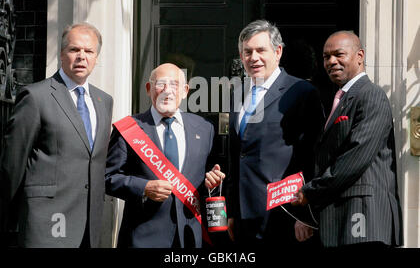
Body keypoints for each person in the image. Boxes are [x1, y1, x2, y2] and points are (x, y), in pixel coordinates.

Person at [0, 22, 114, 248]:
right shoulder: (36, 96)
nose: (82, 56)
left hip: (88, 225)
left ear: (97, 57)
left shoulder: (104, 101)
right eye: (74, 50)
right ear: (62, 54)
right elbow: (12, 164)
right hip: (46, 222)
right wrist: (8, 219)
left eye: (89, 51)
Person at [293, 31, 403, 248]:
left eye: (339, 54)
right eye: (326, 57)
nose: (331, 62)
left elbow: (355, 156)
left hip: (364, 218)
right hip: (340, 219)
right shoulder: (340, 98)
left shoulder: (370, 95)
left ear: (359, 56)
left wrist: (310, 192)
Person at [226, 20, 324, 247]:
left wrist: (307, 213)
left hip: (284, 218)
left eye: (261, 50)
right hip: (242, 220)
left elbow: (315, 156)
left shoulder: (300, 92)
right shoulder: (236, 94)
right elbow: (235, 156)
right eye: (247, 52)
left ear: (278, 52)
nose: (253, 57)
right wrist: (232, 212)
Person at [105, 63, 225, 248]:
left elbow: (210, 179)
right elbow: (107, 178)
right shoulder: (129, 129)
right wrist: (144, 187)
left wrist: (213, 183)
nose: (167, 91)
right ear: (148, 89)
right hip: (144, 237)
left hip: (191, 236)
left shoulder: (205, 128)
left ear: (185, 91)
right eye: (160, 84)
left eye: (174, 85)